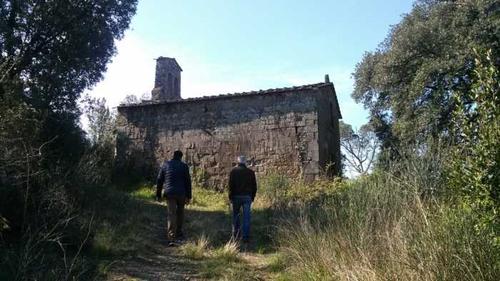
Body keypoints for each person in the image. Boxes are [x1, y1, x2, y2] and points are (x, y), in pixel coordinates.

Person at [156, 150, 192, 245]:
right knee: (180, 213)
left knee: (171, 214)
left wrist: (158, 194)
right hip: (181, 193)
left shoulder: (165, 164)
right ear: (181, 157)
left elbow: (159, 180)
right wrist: (189, 196)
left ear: (173, 155)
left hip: (170, 193)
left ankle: (171, 237)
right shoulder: (184, 166)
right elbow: (188, 182)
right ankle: (179, 233)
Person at [228, 155, 257, 243]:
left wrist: (230, 196)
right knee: (246, 217)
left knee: (235, 216)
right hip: (247, 196)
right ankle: (245, 237)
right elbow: (254, 186)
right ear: (245, 162)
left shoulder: (233, 171)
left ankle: (235, 235)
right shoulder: (250, 172)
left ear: (238, 162)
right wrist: (252, 197)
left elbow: (230, 185)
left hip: (236, 196)